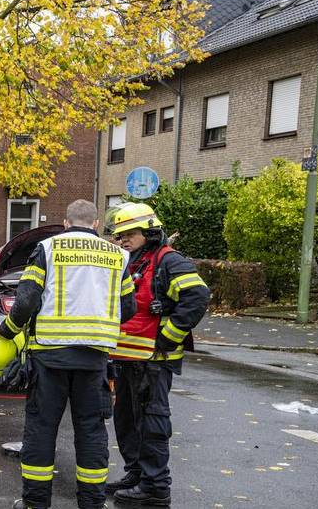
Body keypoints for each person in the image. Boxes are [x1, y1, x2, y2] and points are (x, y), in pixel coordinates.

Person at [0, 199, 137, 509]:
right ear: (95, 224)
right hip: (94, 360)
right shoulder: (118, 256)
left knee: (41, 430)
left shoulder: (48, 249)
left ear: (66, 223)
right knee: (91, 432)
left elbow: (26, 301)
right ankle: (92, 503)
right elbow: (128, 307)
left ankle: (35, 503)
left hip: (49, 358)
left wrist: (6, 332)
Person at [106, 203, 211, 507]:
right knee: (126, 420)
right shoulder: (134, 260)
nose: (123, 239)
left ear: (150, 231)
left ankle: (155, 486)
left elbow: (197, 296)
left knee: (151, 422)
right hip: (127, 358)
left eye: (131, 233)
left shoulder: (169, 261)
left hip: (154, 360)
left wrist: (168, 337)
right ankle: (137, 474)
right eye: (120, 234)